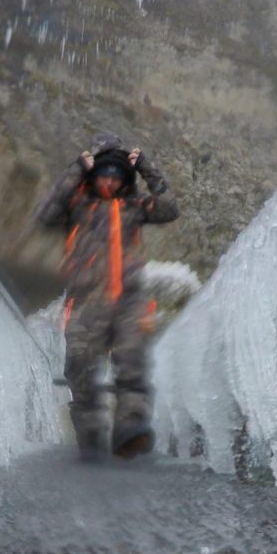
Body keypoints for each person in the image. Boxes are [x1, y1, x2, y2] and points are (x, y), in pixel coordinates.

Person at [36, 133, 180, 461]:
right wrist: (78, 168)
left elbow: (170, 207)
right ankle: (89, 437)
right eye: (104, 173)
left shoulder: (134, 207)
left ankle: (129, 431)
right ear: (93, 174)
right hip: (87, 301)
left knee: (132, 366)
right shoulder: (78, 206)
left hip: (129, 302)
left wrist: (145, 166)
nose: (110, 181)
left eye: (116, 175)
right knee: (80, 368)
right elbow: (48, 212)